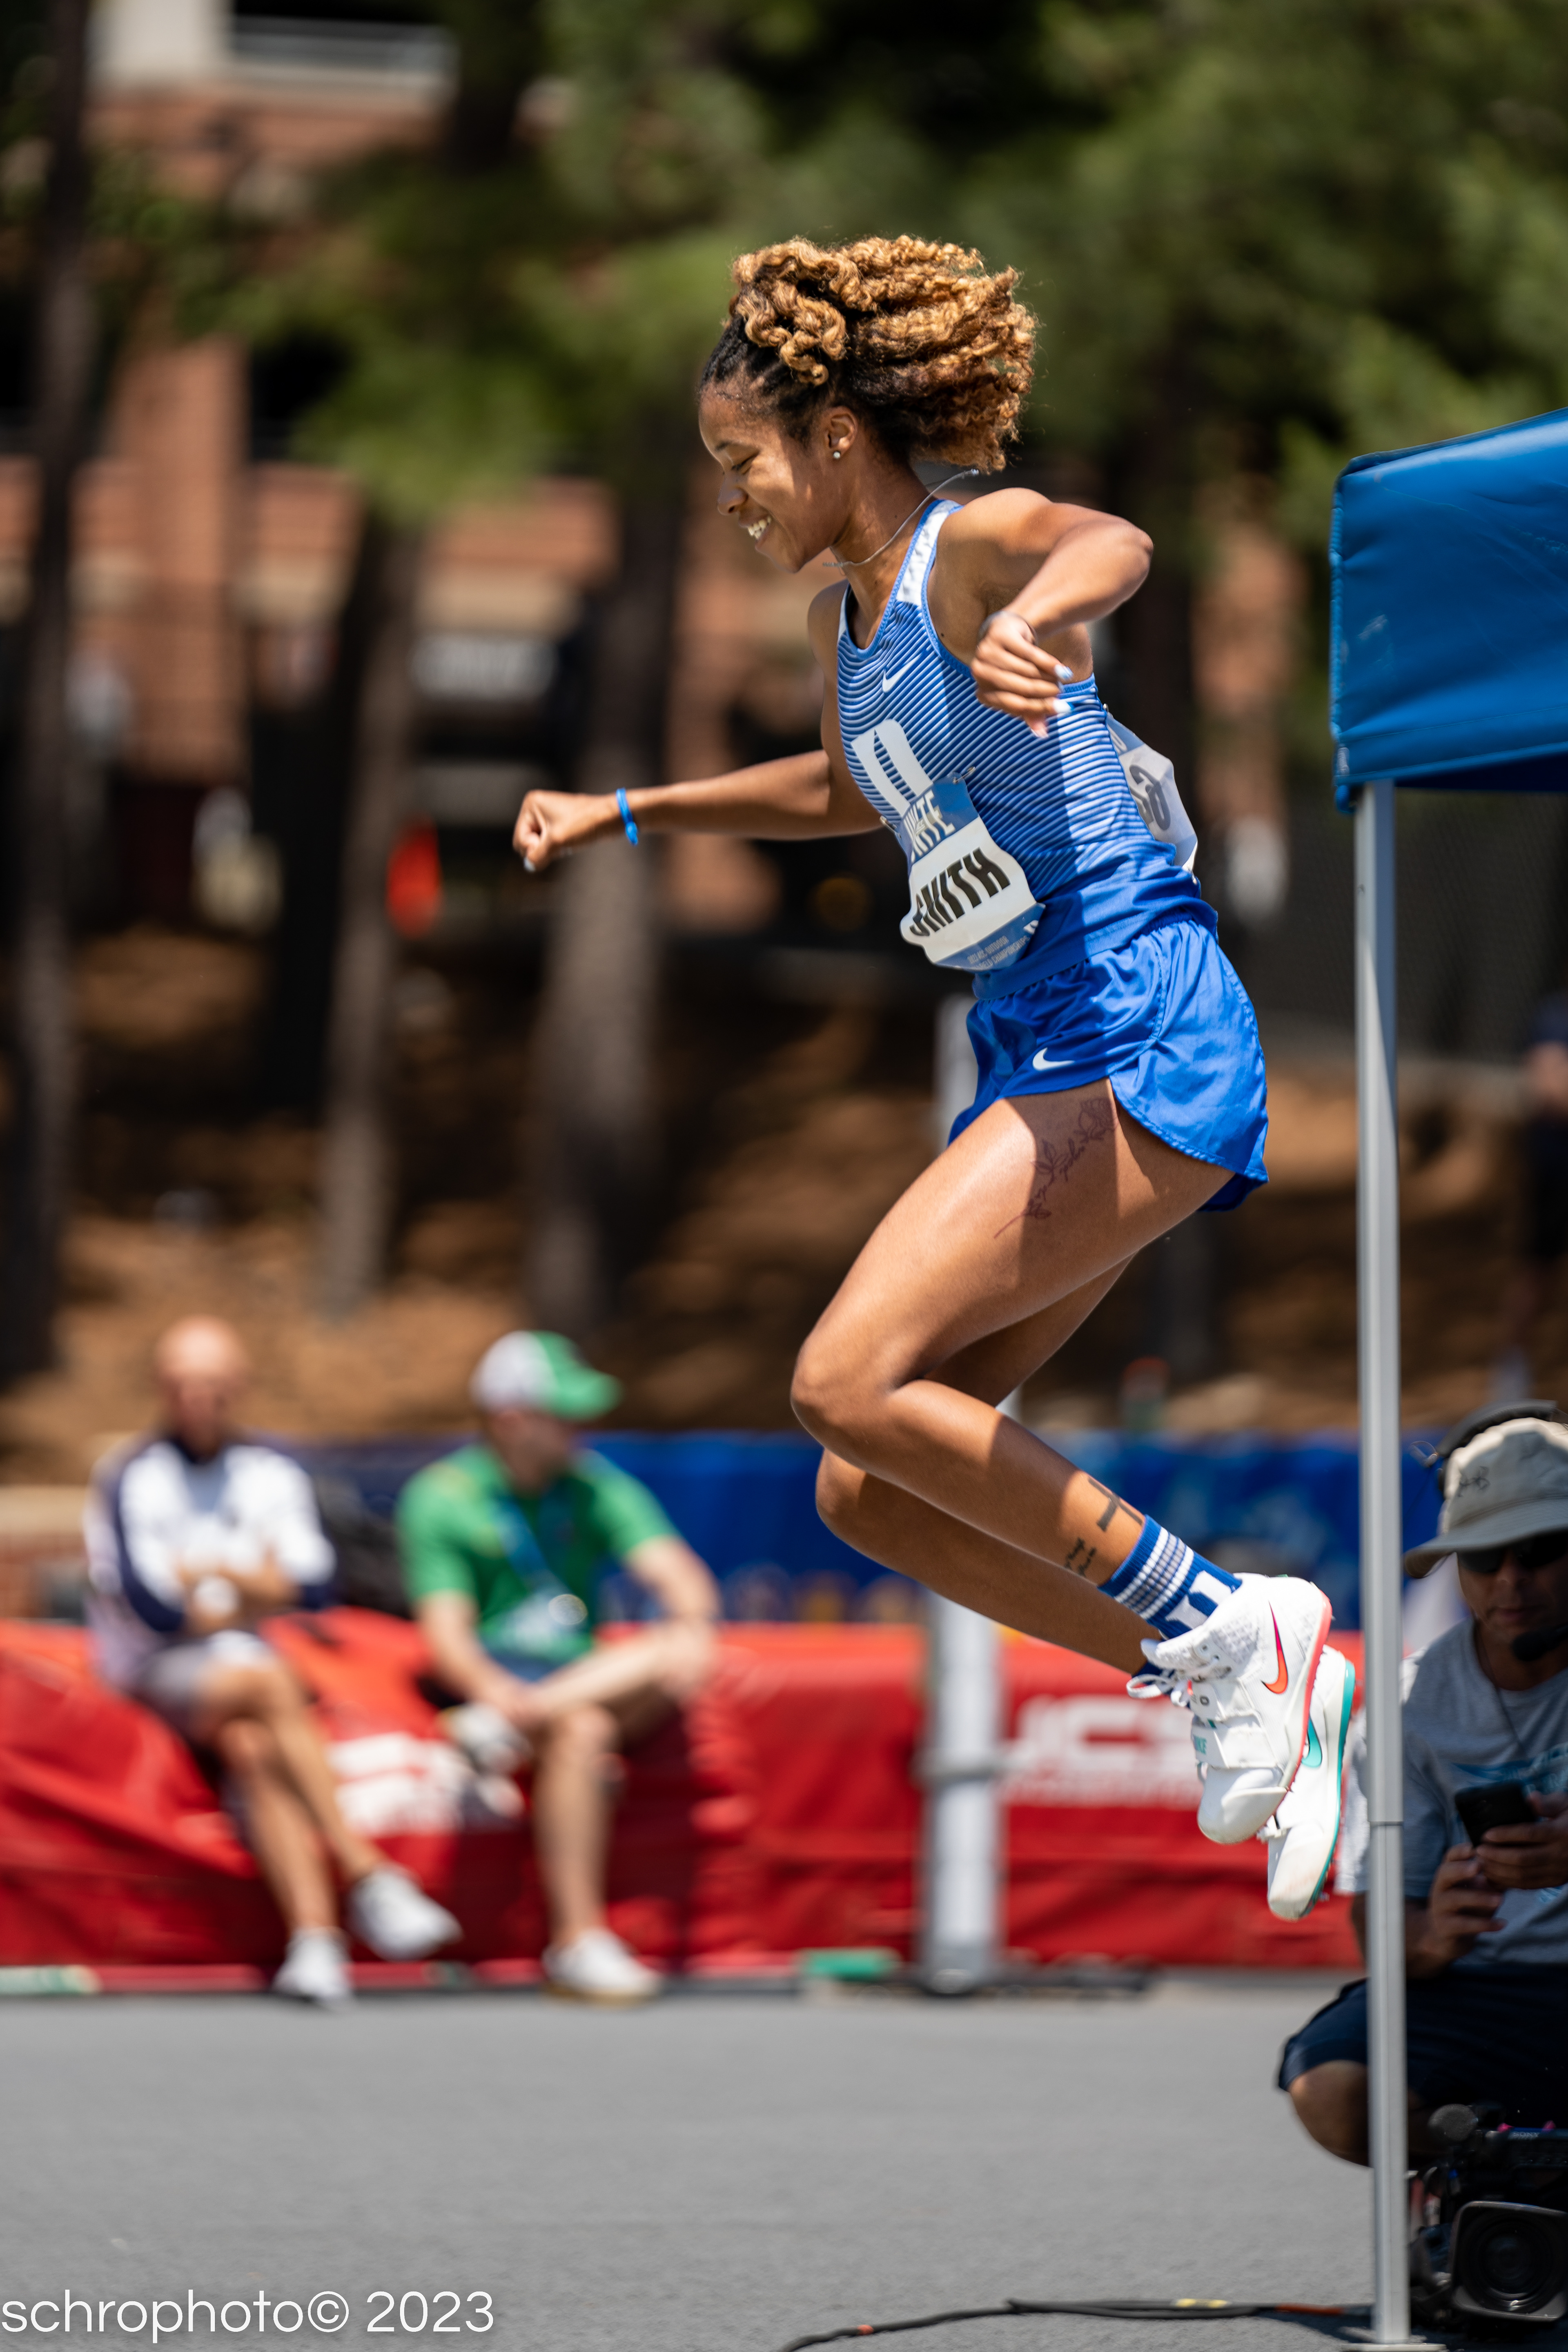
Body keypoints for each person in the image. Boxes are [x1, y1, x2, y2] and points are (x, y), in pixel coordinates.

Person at [513, 233, 1349, 1860]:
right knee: (869, 1487)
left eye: (738, 462)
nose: (731, 499)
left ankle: (1233, 1619)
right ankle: (1235, 1670)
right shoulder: (853, 624)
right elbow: (842, 791)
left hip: (1136, 1020)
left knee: (839, 1378)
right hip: (1042, 1047)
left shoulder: (966, 555)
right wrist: (630, 807)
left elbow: (1114, 537)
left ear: (835, 440)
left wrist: (1041, 613)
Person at [85, 1316, 461, 2008]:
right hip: (158, 1670)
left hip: (241, 1672)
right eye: (183, 1384)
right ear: (161, 1389)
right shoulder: (132, 1475)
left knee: (254, 1747)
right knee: (268, 1683)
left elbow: (317, 1583)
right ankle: (367, 1871)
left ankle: (315, 1942)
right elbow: (154, 1610)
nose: (199, 1398)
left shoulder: (271, 1470)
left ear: (239, 1387)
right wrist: (254, 1584)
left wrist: (207, 1580)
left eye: (213, 1384)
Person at [1281, 1405, 1568, 2163]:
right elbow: (1385, 1933)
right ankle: (1497, 2192)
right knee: (1333, 2089)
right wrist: (1434, 1934)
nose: (1511, 1580)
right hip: (1477, 1994)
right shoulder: (1407, 1708)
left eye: (1540, 1548)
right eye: (1481, 1556)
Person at [396, 1332, 719, 2003]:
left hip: (555, 1684)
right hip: (500, 1675)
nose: (581, 1428)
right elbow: (446, 1635)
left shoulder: (593, 1485)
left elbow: (680, 1577)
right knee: (585, 1732)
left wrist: (689, 1619)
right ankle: (577, 1939)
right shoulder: (445, 1496)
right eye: (564, 1415)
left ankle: (510, 1729)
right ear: (511, 1418)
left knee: (675, 1648)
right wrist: (495, 1690)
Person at [1494, 979, 1568, 1399]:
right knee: (1536, 1273)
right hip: (1554, 1172)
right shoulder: (1553, 1018)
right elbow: (1549, 1091)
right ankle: (1511, 1372)